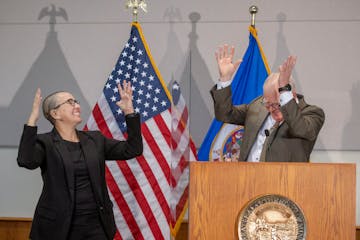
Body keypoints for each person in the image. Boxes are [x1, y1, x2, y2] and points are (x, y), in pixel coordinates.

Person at [17, 80, 143, 240]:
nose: (77, 105)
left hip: (96, 226)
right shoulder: (45, 143)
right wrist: (32, 120)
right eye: (70, 102)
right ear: (55, 114)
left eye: (76, 101)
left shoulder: (95, 139)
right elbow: (25, 160)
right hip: (58, 228)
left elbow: (133, 149)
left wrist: (129, 112)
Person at [211, 44, 325, 162]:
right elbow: (224, 114)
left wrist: (284, 91)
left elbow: (301, 129)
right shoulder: (258, 106)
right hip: (247, 177)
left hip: (284, 179)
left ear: (292, 95)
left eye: (277, 104)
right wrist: (225, 79)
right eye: (268, 103)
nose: (271, 109)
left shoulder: (312, 114)